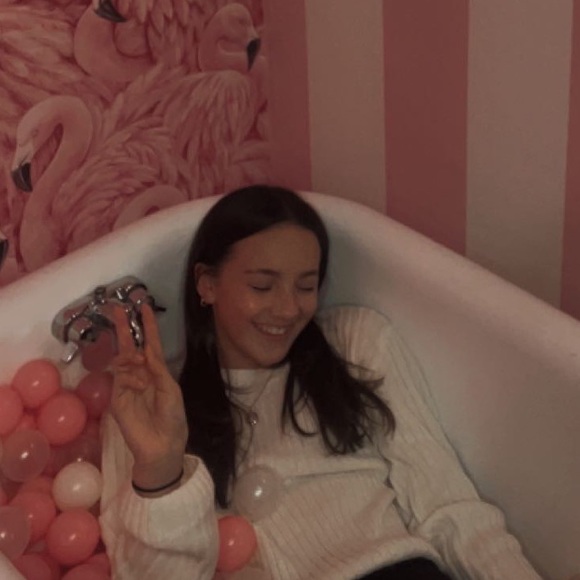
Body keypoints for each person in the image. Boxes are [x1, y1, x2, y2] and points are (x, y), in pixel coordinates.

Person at [100, 185, 541, 579]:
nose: (288, 309)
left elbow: (447, 504)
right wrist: (161, 471)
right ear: (207, 284)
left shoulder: (354, 341)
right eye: (263, 286)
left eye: (306, 286)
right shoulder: (149, 403)